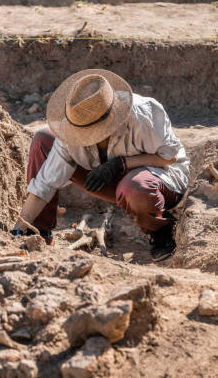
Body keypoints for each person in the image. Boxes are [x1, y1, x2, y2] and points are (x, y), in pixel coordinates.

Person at [12, 69, 189, 261]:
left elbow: (169, 158)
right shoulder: (73, 126)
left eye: (93, 131)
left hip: (162, 178)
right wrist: (21, 227)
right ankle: (38, 232)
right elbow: (44, 183)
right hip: (114, 182)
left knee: (135, 187)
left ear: (111, 118)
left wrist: (121, 164)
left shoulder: (144, 114)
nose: (85, 137)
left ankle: (161, 229)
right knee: (43, 139)